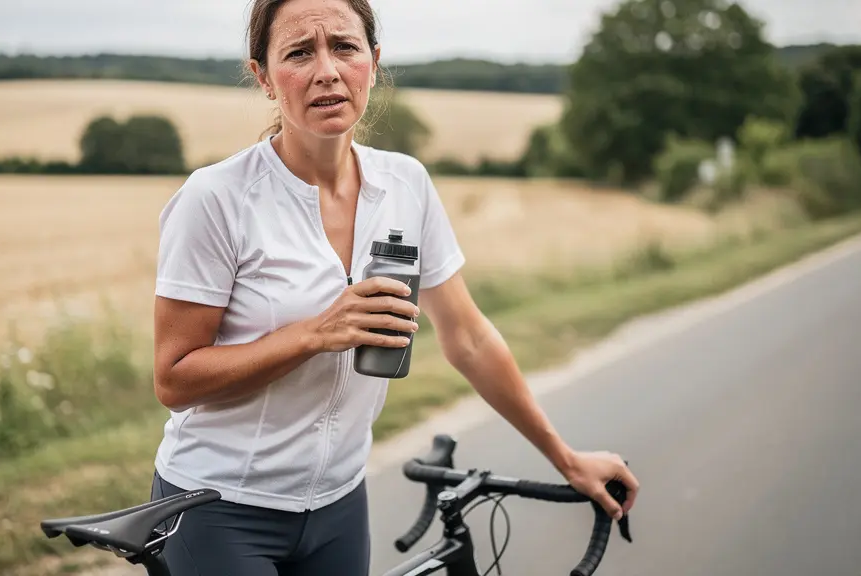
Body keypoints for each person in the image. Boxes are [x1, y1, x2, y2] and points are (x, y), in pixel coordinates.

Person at [147, 0, 640, 574]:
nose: (326, 71)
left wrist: (566, 458)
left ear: (373, 62)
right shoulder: (216, 199)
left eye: (344, 47)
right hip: (218, 508)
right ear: (263, 76)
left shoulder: (406, 184)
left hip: (339, 506)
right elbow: (174, 378)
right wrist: (313, 335)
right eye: (299, 53)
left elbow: (469, 338)